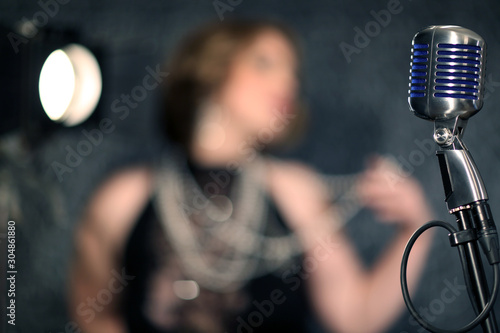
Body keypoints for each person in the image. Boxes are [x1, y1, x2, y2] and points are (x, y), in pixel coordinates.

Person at [68, 19, 434, 333]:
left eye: (293, 72)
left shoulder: (296, 191)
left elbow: (356, 317)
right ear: (210, 68)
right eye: (264, 63)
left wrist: (414, 228)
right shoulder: (121, 197)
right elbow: (94, 318)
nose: (288, 83)